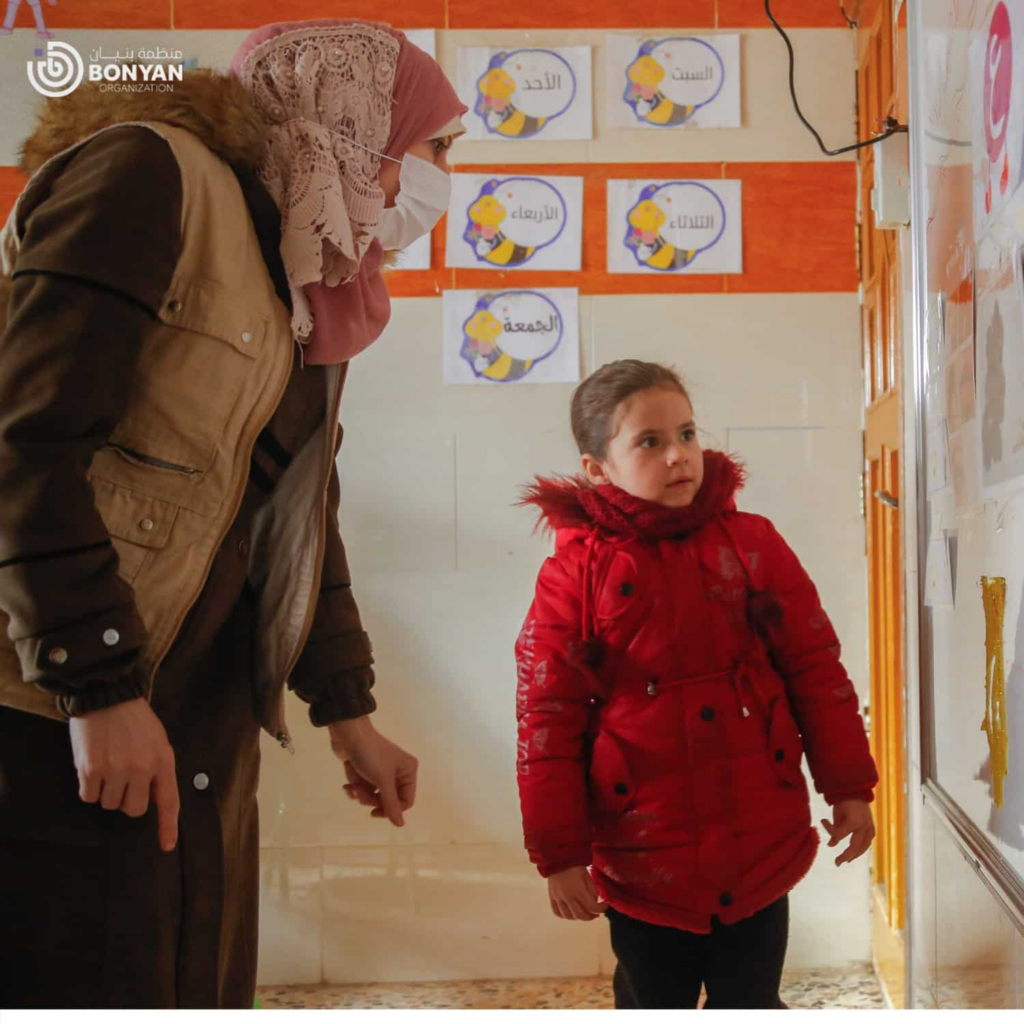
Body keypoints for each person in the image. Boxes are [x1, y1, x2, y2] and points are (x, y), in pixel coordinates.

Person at [0, 18, 466, 1008]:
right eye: (434, 147)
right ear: (350, 120)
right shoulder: (148, 176)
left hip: (197, 710)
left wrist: (346, 708)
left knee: (189, 980)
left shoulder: (304, 273)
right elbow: (23, 441)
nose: (437, 182)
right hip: (60, 710)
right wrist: (97, 682)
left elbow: (297, 511)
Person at [514, 360, 878, 1010]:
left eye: (686, 433)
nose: (679, 455)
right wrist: (559, 855)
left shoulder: (755, 543)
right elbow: (547, 717)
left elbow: (816, 671)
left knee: (752, 1000)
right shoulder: (574, 575)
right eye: (649, 442)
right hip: (641, 854)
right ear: (597, 468)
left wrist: (850, 787)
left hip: (758, 845)